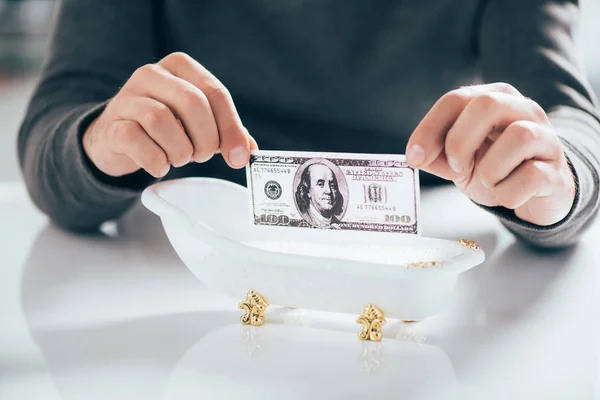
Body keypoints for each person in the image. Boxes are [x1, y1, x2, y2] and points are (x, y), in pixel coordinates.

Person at [17, 1, 600, 249]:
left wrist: (553, 179)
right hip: (192, 255)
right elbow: (57, 126)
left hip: (428, 268)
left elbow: (572, 125)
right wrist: (100, 143)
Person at [295, 162, 344, 228]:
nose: (329, 191)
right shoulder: (305, 219)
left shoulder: (338, 224)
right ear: (307, 190)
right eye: (320, 184)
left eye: (332, 185)